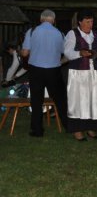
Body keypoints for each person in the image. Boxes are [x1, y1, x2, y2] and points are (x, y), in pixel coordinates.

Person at [21, 9, 68, 137]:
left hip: (36, 70)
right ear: (53, 20)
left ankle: (37, 130)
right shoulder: (60, 33)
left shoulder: (31, 32)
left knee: (36, 101)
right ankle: (68, 126)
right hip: (54, 70)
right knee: (60, 99)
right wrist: (60, 61)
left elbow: (25, 53)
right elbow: (67, 54)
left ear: (41, 19)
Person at [64, 9, 97, 141]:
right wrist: (79, 53)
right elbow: (68, 53)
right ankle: (77, 130)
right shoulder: (72, 34)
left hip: (94, 73)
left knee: (93, 100)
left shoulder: (96, 34)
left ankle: (91, 128)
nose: (90, 24)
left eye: (91, 21)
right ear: (80, 22)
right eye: (87, 22)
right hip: (78, 73)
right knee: (78, 101)